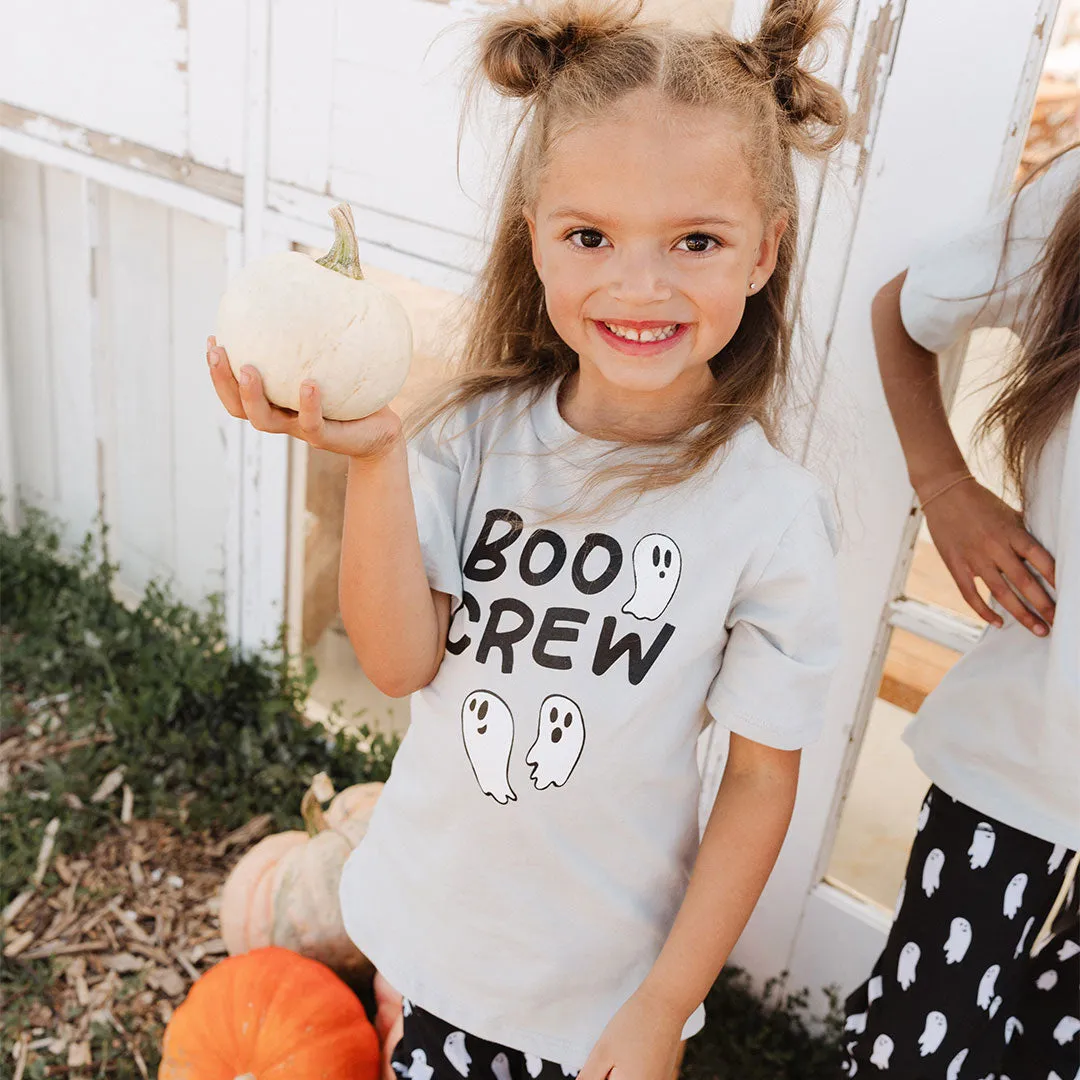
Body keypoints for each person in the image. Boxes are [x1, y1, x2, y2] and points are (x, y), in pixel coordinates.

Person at [208, 1, 848, 1075]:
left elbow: (755, 785)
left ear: (763, 251)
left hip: (596, 995)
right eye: (590, 235)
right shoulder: (471, 439)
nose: (640, 285)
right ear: (536, 236)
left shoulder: (770, 518)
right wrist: (374, 458)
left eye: (696, 240)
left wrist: (665, 1003)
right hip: (435, 936)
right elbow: (403, 659)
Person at [843, 146, 1080, 1078]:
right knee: (916, 1052)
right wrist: (944, 484)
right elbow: (903, 313)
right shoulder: (1073, 199)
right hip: (1022, 755)